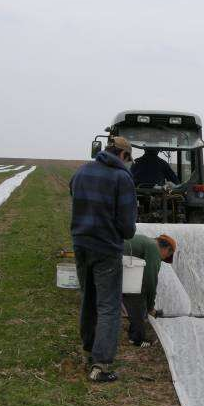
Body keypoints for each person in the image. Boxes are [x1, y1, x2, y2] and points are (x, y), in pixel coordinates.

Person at [69, 136, 137, 383]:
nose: (128, 163)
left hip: (81, 244)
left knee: (88, 298)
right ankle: (102, 365)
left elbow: (73, 194)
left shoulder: (82, 171)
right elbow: (128, 227)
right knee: (108, 306)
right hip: (106, 249)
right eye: (128, 159)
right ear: (122, 155)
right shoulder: (122, 178)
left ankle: (88, 350)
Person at [123, 233, 177, 347]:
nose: (164, 259)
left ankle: (133, 333)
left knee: (132, 294)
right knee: (138, 298)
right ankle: (137, 339)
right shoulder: (153, 249)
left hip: (108, 257)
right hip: (117, 259)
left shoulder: (146, 241)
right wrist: (150, 307)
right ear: (167, 249)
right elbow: (150, 281)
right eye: (167, 255)